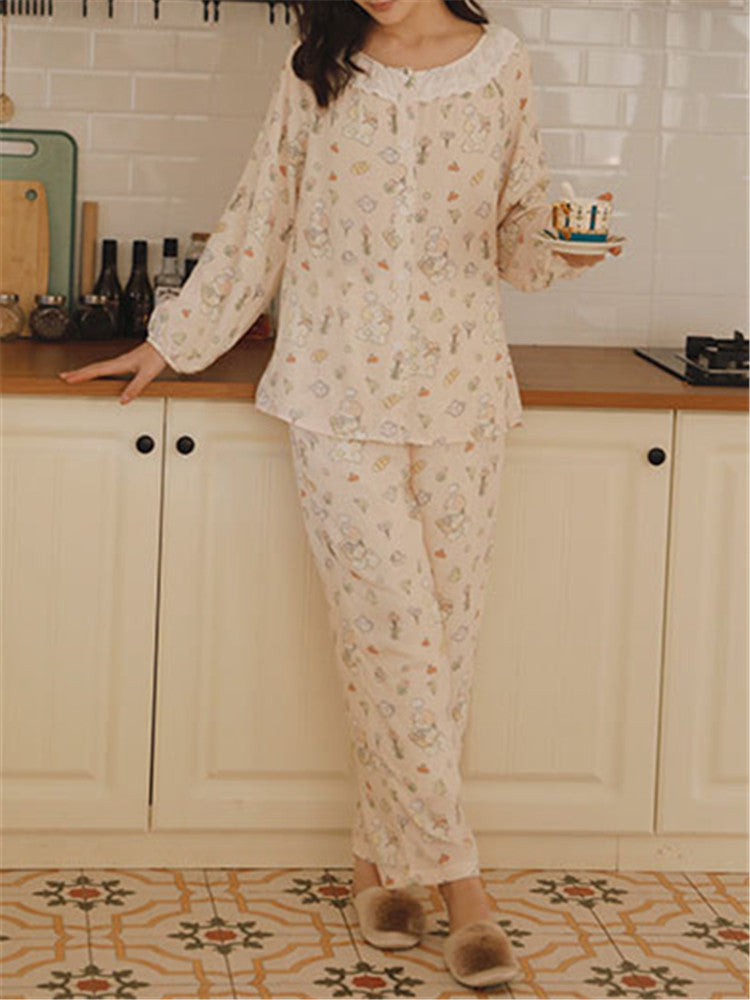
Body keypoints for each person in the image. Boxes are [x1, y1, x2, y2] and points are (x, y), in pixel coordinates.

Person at [58, 0, 613, 987]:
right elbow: (259, 218)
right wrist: (170, 342)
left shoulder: (502, 66)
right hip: (333, 394)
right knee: (393, 631)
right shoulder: (318, 65)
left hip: (463, 396)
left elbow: (515, 228)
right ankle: (464, 887)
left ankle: (377, 864)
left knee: (436, 648)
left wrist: (563, 247)